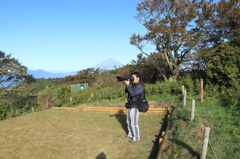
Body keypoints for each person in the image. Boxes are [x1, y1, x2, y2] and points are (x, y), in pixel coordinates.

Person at [124, 72, 144, 143]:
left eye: (133, 77)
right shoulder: (134, 85)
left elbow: (132, 93)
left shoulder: (140, 86)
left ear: (138, 78)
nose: (132, 79)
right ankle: (130, 134)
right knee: (128, 121)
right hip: (131, 106)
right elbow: (127, 91)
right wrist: (127, 85)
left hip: (136, 106)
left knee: (134, 123)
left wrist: (128, 85)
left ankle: (136, 138)